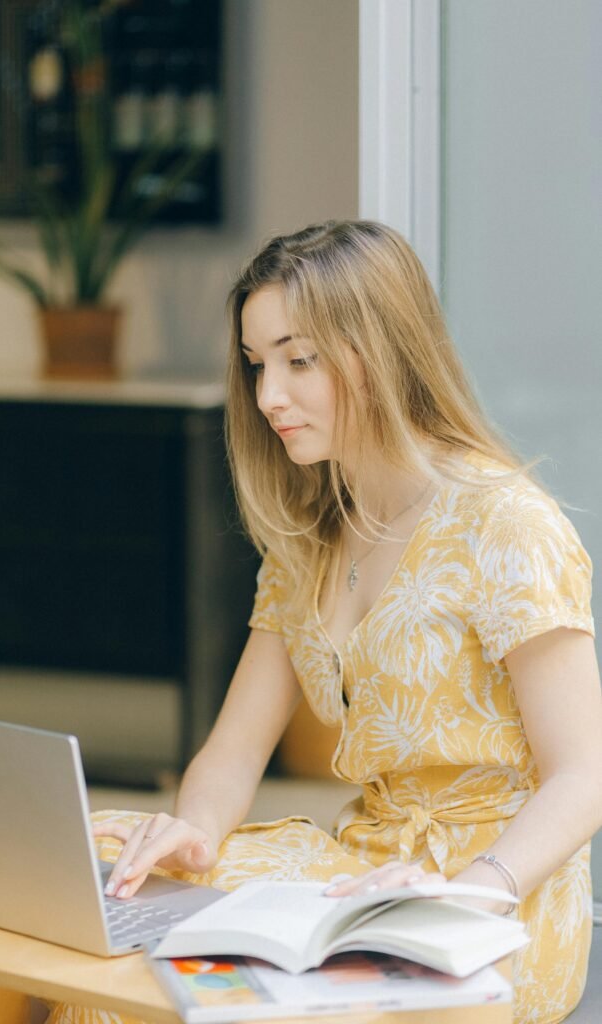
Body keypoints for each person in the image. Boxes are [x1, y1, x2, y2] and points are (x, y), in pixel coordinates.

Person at [47, 220, 602, 1024]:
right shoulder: (309, 539)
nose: (269, 395)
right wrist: (191, 835)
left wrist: (471, 892)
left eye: (297, 360)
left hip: (492, 898)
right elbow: (231, 757)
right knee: (100, 862)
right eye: (256, 364)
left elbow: (584, 776)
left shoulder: (502, 522)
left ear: (379, 349)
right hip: (360, 869)